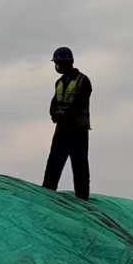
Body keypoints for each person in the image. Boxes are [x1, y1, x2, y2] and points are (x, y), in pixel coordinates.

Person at [42, 46, 91, 199]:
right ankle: (48, 194)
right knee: (53, 165)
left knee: (79, 166)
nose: (56, 66)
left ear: (67, 63)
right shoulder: (59, 82)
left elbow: (79, 104)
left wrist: (64, 116)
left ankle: (82, 198)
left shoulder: (83, 81)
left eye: (58, 63)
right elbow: (54, 104)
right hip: (62, 130)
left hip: (78, 131)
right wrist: (55, 115)